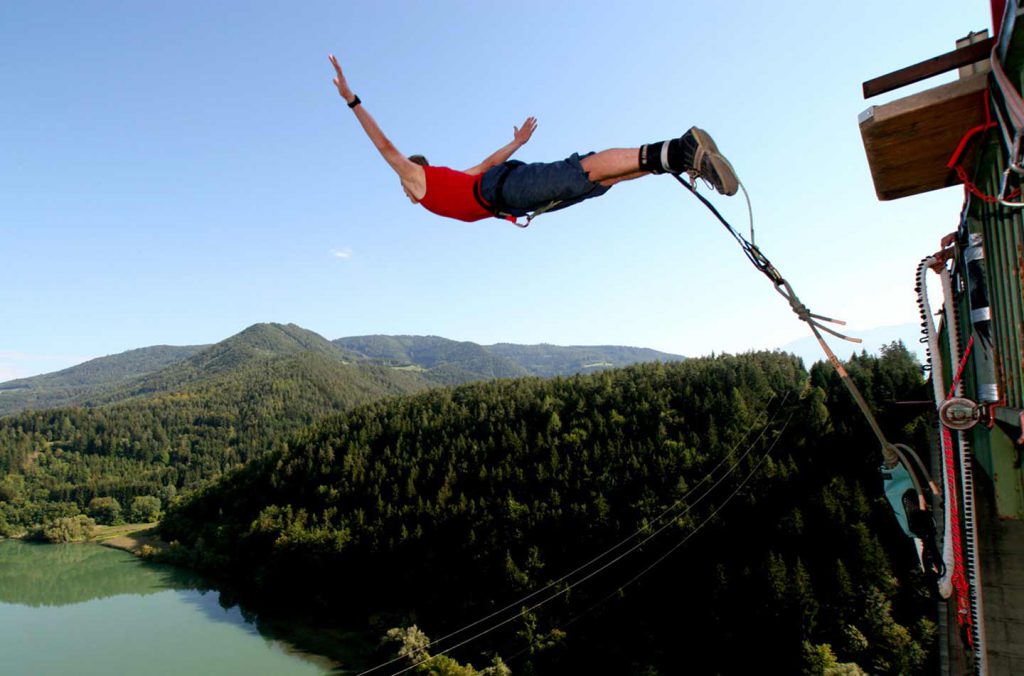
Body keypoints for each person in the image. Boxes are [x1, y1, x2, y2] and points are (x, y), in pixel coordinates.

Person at [329, 54, 738, 225]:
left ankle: (683, 147)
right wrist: (518, 144)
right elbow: (487, 162)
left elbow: (384, 146)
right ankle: (678, 160)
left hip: (504, 189)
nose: (403, 189)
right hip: (505, 192)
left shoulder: (418, 178)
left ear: (411, 172)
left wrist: (352, 101)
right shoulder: (447, 179)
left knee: (584, 169)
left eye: (402, 180)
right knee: (597, 181)